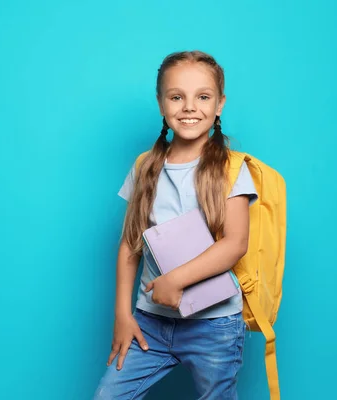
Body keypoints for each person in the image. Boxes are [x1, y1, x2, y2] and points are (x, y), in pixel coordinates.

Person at [94, 50, 258, 400]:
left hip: (214, 326)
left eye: (202, 97)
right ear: (161, 104)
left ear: (219, 105)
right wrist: (123, 315)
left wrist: (175, 279)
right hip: (150, 322)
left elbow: (235, 243)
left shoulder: (231, 168)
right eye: (176, 96)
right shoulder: (146, 166)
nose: (189, 107)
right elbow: (129, 244)